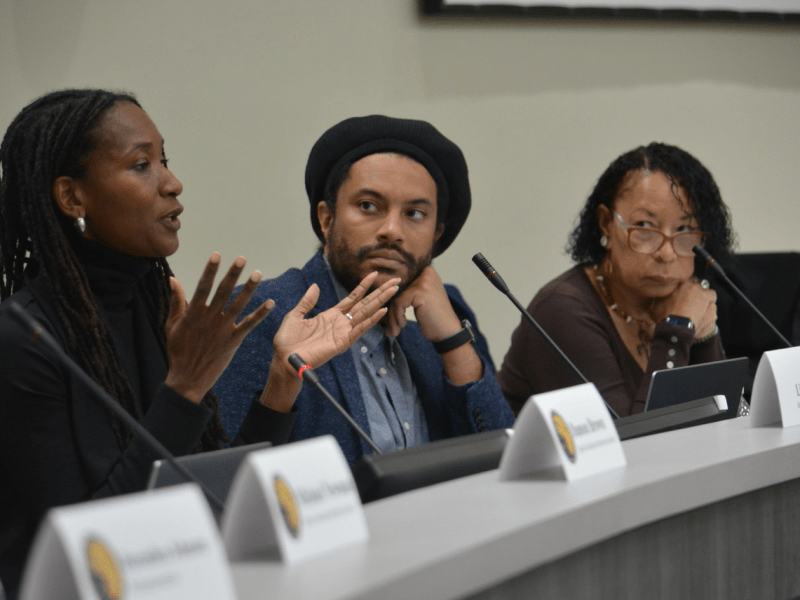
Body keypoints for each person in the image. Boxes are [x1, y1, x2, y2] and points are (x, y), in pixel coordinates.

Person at [0, 90, 395, 599]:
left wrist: (282, 379)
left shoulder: (152, 306)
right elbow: (96, 554)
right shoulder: (24, 341)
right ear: (73, 197)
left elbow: (219, 503)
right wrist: (184, 388)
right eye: (141, 165)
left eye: (164, 160)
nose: (172, 182)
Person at [215, 115, 515, 466]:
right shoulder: (264, 311)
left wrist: (453, 344)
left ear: (436, 235)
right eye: (368, 206)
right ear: (327, 219)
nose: (392, 230)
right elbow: (228, 477)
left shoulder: (446, 317)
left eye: (415, 213)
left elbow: (504, 461)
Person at [497, 142, 735, 418]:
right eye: (645, 227)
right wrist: (677, 332)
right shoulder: (563, 310)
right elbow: (631, 446)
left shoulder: (681, 300)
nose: (667, 253)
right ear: (606, 224)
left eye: (684, 229)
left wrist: (704, 336)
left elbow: (728, 423)